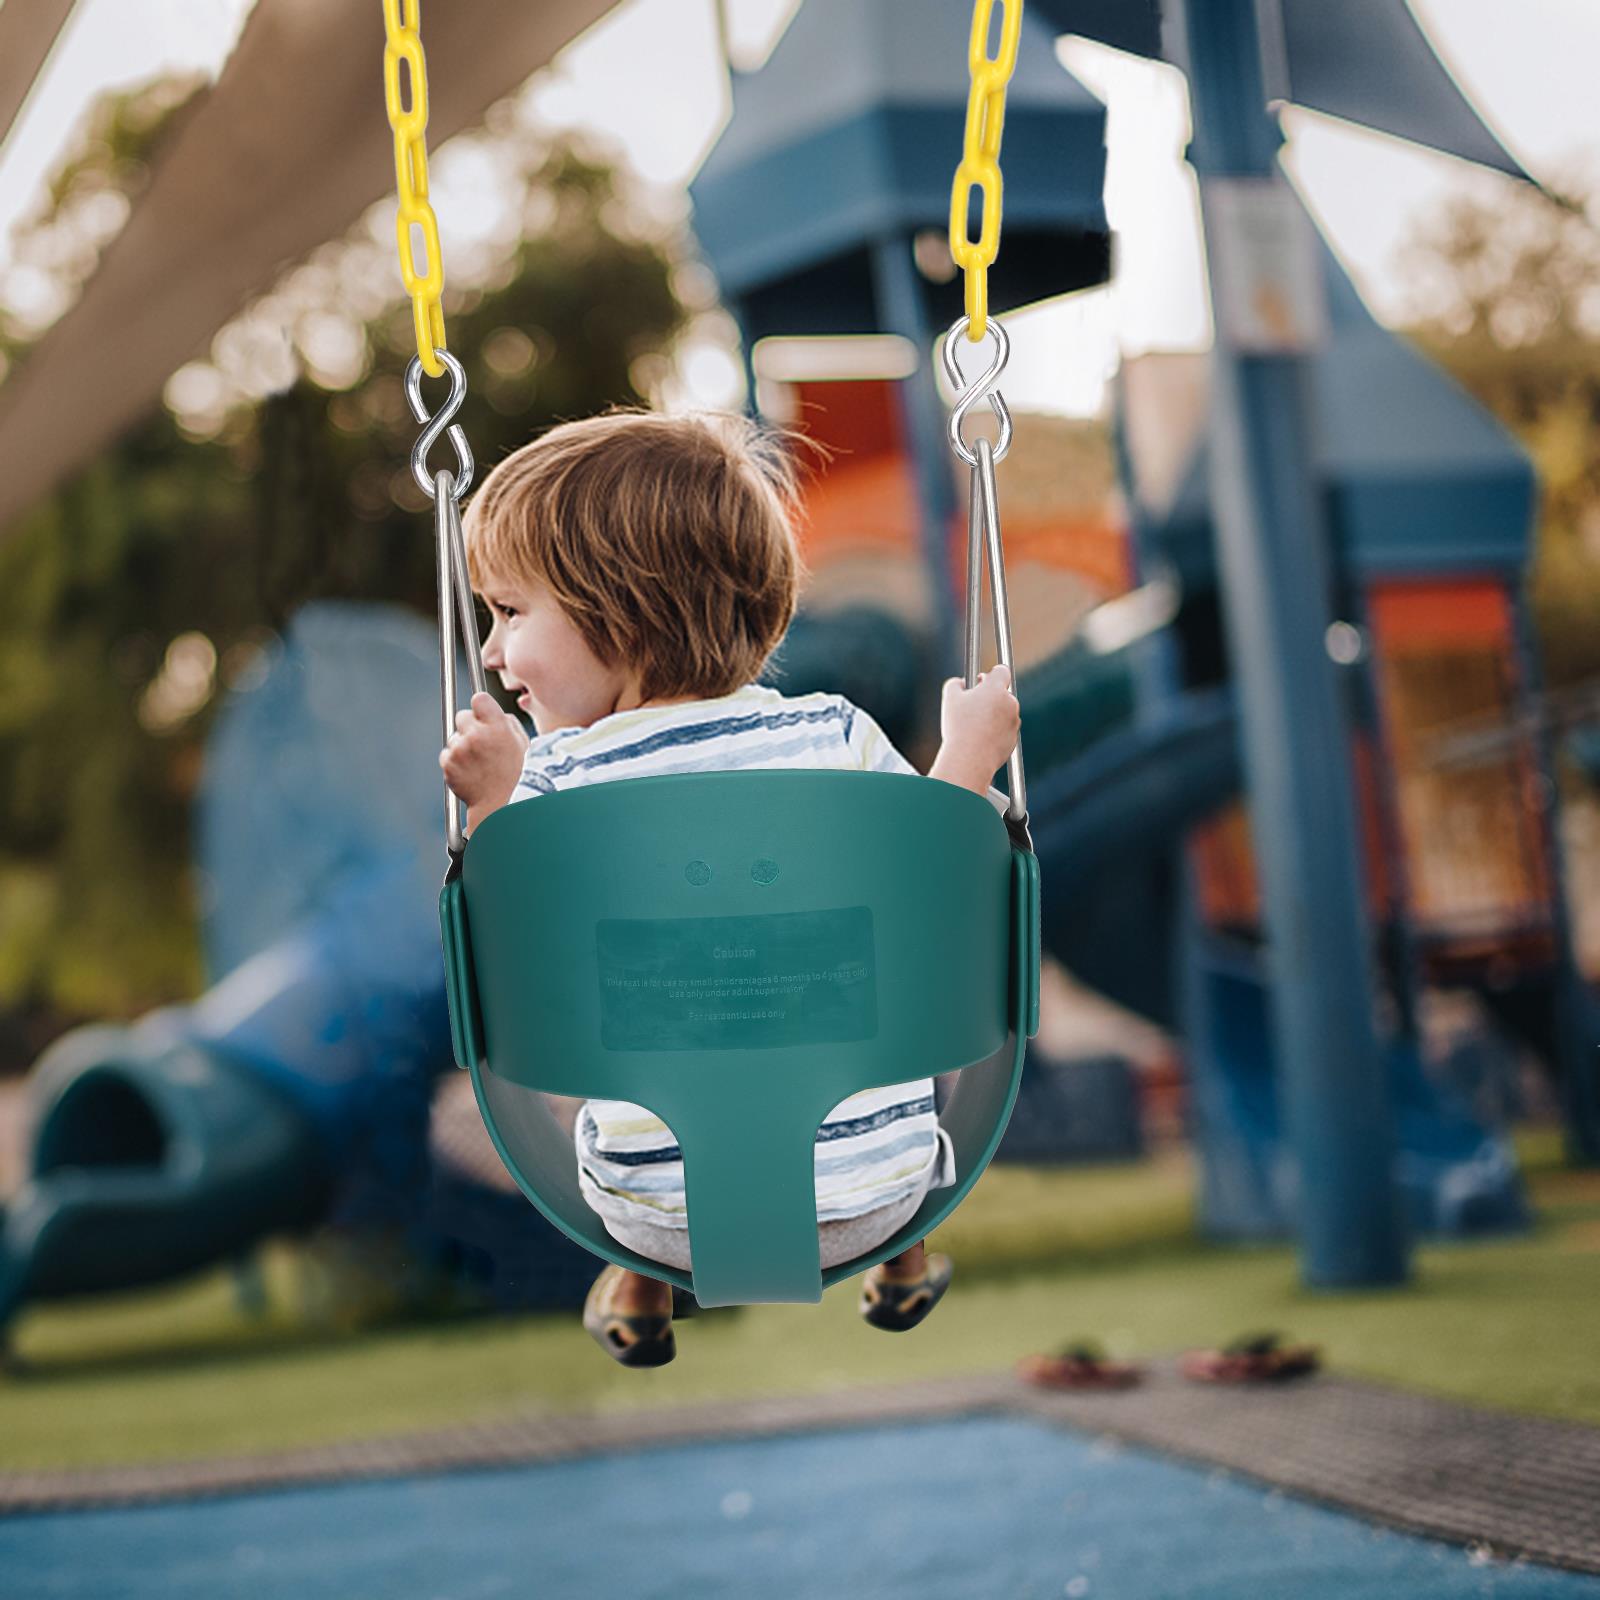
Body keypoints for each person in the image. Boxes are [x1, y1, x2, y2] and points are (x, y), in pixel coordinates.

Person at [439, 410, 1021, 1367]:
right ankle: (905, 1256)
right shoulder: (834, 736)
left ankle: (639, 1279)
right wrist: (969, 754)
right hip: (884, 1187)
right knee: (851, 987)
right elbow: (938, 878)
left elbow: (517, 956)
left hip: (657, 1212)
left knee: (650, 1032)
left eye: (508, 612)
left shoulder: (555, 789)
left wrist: (496, 804)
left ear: (616, 606)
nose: (493, 655)